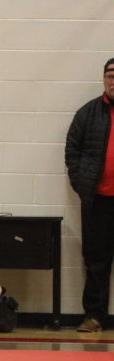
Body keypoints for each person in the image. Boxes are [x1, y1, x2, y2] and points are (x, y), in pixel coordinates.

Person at [65, 57, 114, 333]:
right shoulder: (88, 113)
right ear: (104, 79)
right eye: (110, 76)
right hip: (98, 202)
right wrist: (81, 183)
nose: (113, 81)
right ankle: (94, 316)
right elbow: (72, 150)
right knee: (97, 260)